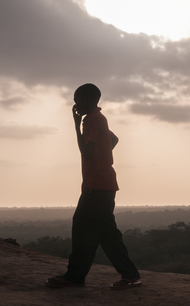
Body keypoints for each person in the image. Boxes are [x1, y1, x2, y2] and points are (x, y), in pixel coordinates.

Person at [46, 83, 141, 290]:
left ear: (88, 98)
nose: (75, 104)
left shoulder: (91, 120)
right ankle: (131, 276)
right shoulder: (100, 119)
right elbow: (113, 138)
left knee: (82, 230)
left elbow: (86, 152)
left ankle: (75, 276)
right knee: (108, 235)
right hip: (104, 185)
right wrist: (103, 155)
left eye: (77, 99)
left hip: (96, 186)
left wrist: (75, 125)